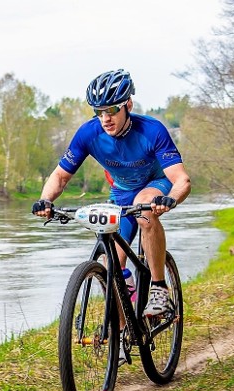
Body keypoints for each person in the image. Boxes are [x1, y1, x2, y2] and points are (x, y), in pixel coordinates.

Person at [32, 69, 191, 319]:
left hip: (155, 185)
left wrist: (170, 199)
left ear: (128, 104)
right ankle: (121, 333)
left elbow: (181, 179)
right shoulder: (89, 134)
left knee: (144, 210)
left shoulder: (152, 130)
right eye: (99, 111)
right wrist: (45, 200)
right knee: (110, 267)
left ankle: (159, 289)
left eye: (112, 110)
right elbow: (60, 176)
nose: (105, 118)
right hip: (121, 192)